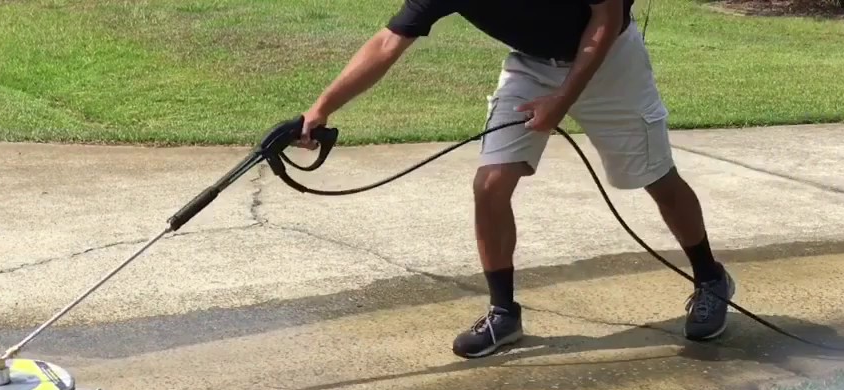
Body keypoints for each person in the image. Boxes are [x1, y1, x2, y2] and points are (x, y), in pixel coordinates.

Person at [295, 0, 736, 359]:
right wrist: (320, 109)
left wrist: (562, 102)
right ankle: (503, 314)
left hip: (610, 60)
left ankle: (710, 278)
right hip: (531, 66)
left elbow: (607, 15)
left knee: (656, 177)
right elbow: (390, 40)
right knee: (489, 184)